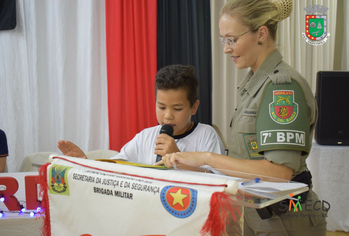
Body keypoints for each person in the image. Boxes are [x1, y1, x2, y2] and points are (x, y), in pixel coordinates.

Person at [159, 0, 326, 235]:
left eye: (232, 39)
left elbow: (279, 173)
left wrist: (208, 157)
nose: (226, 48)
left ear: (261, 34)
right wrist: (196, 163)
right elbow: (246, 161)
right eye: (223, 40)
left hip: (284, 218)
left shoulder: (281, 88)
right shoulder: (253, 84)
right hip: (255, 212)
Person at [58, 64, 225, 166]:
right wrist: (86, 163)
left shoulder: (206, 135)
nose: (167, 116)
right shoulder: (145, 137)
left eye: (177, 109)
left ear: (194, 107)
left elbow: (218, 181)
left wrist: (177, 157)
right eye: (161, 107)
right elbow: (118, 167)